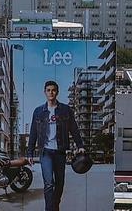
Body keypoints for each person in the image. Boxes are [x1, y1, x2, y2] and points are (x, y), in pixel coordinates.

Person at [27, 80, 85, 211]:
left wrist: (80, 144)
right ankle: (50, 209)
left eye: (53, 90)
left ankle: (55, 205)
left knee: (60, 184)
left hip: (60, 151)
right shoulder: (38, 112)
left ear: (57, 92)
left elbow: (74, 129)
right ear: (45, 92)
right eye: (48, 90)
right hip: (45, 152)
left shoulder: (65, 110)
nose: (51, 92)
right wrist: (29, 152)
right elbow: (33, 132)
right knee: (48, 184)